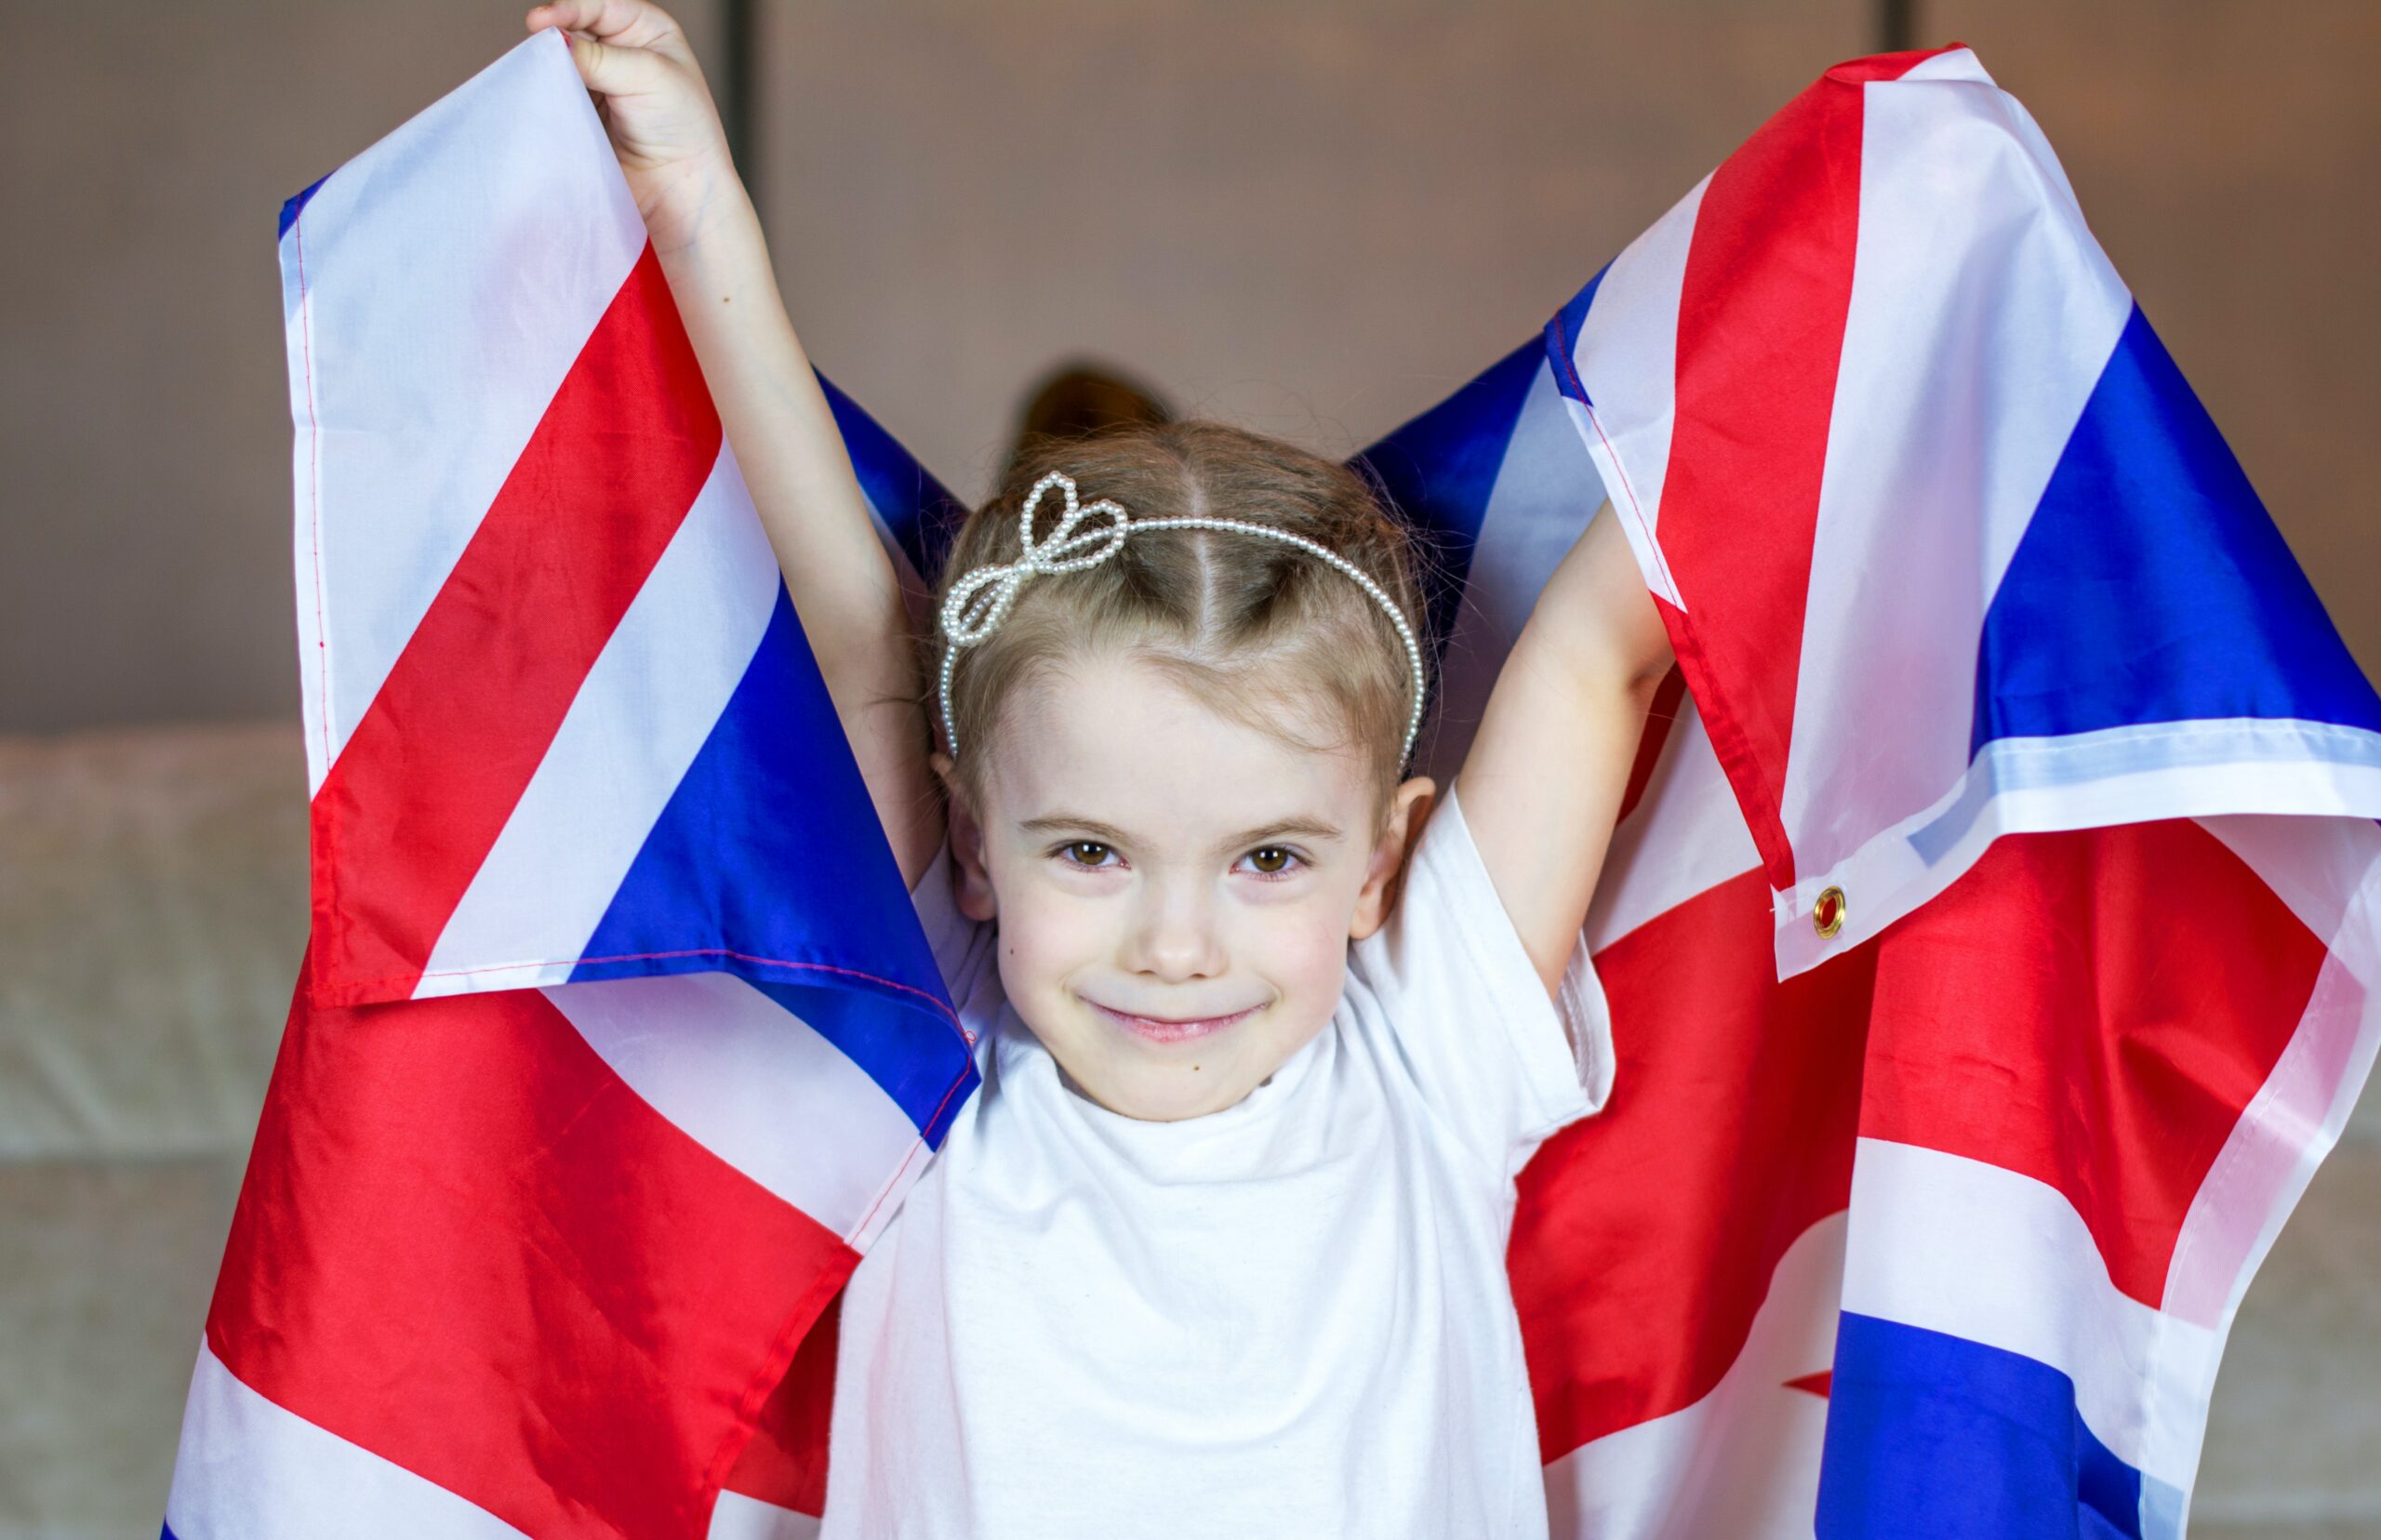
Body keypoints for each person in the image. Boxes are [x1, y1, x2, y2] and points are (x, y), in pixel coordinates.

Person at [526, 3, 1673, 1533]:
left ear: (1385, 862)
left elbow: (1608, 643)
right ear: (974, 847)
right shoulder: (938, 1056)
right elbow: (858, 634)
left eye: (1270, 857)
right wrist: (694, 209)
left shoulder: (1431, 1055)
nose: (1177, 947)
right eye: (1089, 852)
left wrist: (1872, 261)